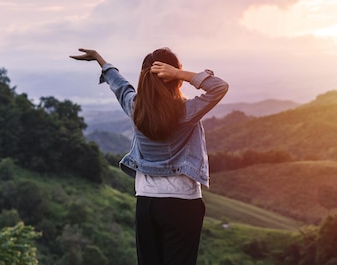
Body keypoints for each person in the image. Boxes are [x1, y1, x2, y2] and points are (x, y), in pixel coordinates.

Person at [70, 47, 229, 265]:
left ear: (143, 78)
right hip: (183, 203)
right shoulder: (186, 112)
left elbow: (120, 86)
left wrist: (100, 59)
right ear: (173, 75)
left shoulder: (135, 107)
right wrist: (180, 73)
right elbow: (219, 87)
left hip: (146, 202)